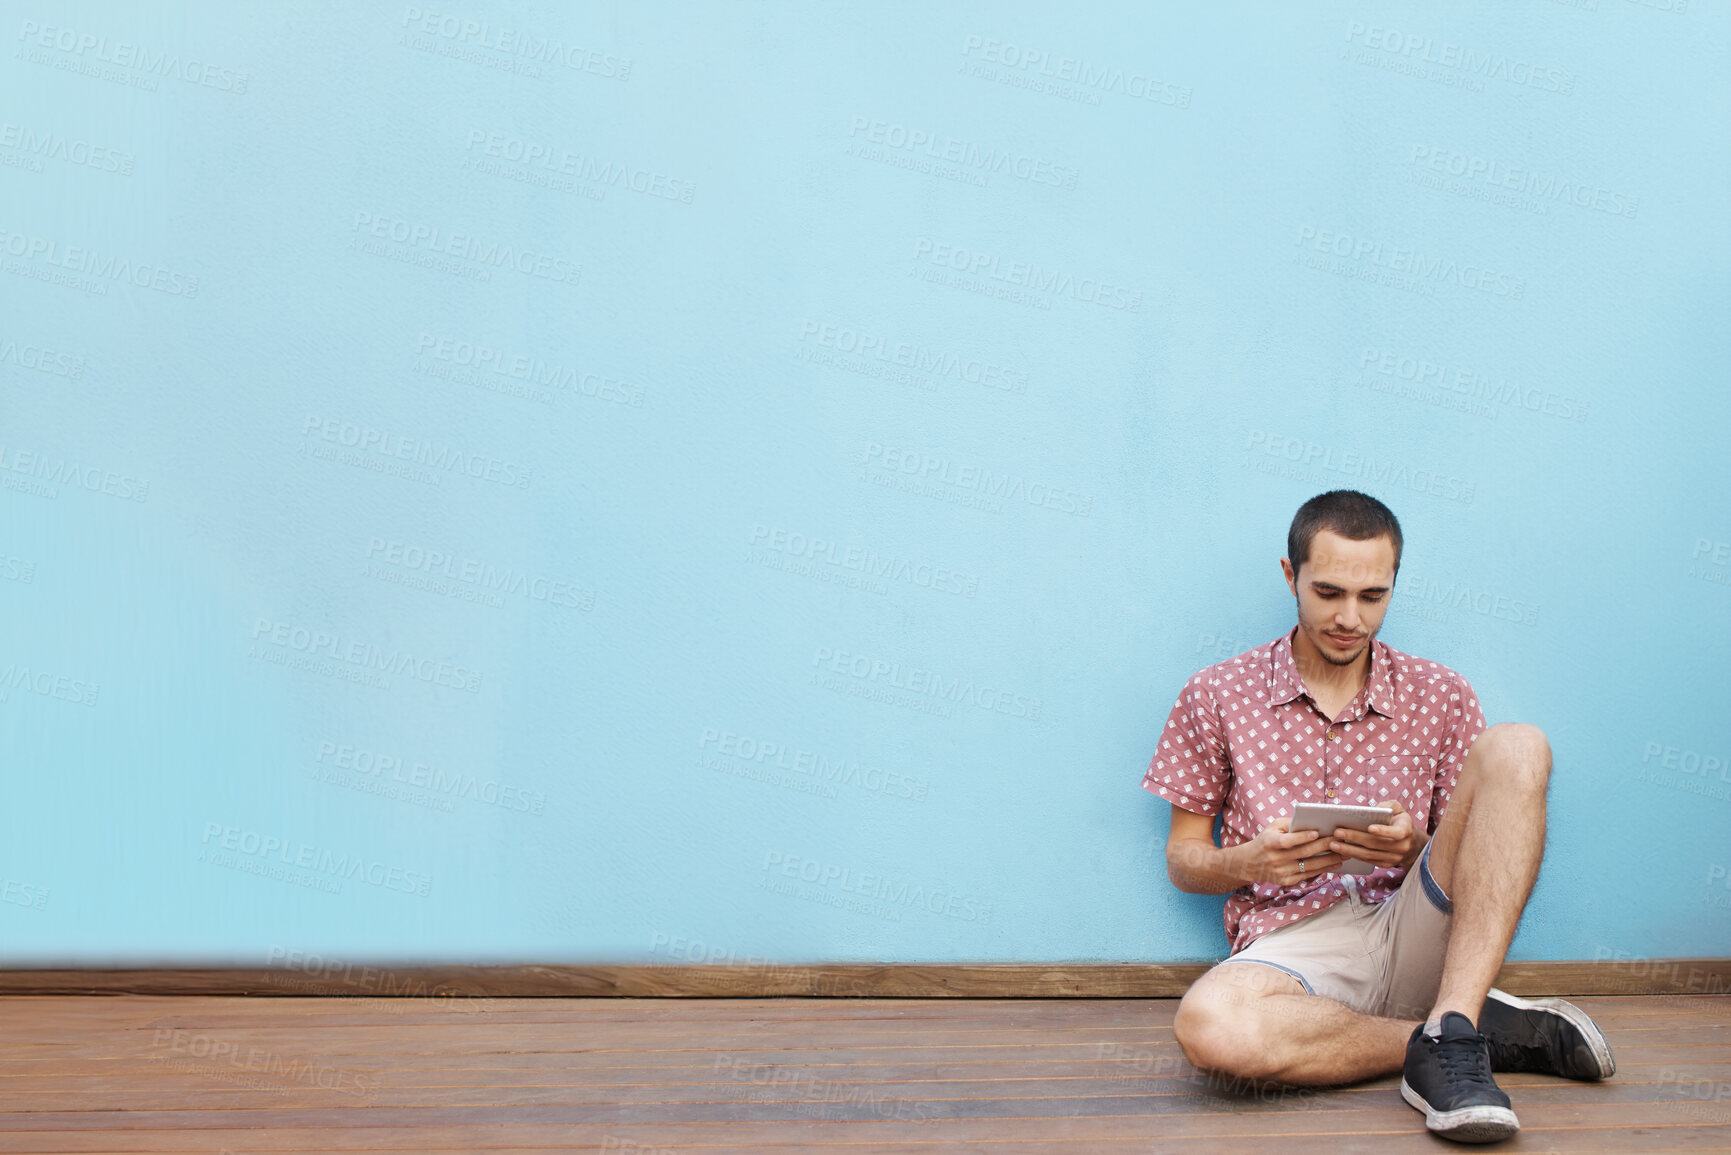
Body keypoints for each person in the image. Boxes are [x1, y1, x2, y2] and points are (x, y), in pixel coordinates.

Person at [1142, 489, 1612, 1144]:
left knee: (1518, 744)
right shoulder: (1215, 692)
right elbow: (1182, 858)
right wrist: (1245, 861)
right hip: (1292, 946)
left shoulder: (1441, 693)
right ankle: (1458, 1034)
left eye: (1372, 596)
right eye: (1328, 591)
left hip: (1413, 923)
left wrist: (1410, 846)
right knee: (1209, 1028)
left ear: (1393, 584)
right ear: (1290, 576)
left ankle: (1452, 1014)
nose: (1348, 616)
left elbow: (1474, 855)